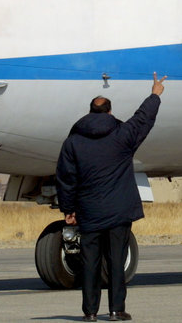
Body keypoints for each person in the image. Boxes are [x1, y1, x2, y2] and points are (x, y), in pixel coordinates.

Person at [56, 73, 167, 322]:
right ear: (109, 112)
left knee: (90, 262)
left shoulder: (73, 142)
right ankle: (116, 310)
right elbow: (142, 120)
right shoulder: (122, 136)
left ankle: (90, 312)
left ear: (89, 112)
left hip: (89, 212)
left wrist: (68, 209)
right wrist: (155, 94)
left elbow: (66, 178)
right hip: (118, 212)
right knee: (116, 261)